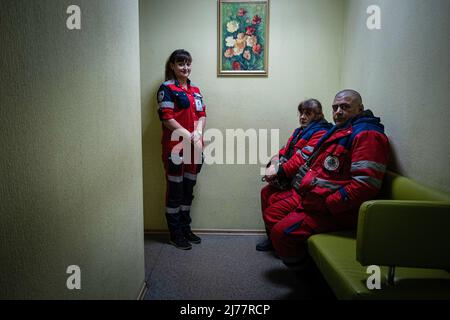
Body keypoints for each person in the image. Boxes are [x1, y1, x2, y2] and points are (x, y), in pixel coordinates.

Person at [263, 89, 390, 267]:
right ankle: (299, 254)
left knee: (281, 233)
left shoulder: (367, 135)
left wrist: (328, 204)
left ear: (360, 109)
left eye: (345, 107)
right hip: (312, 198)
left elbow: (365, 186)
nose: (338, 112)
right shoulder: (340, 131)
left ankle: (307, 274)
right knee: (272, 212)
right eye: (335, 107)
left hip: (335, 209)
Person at [257, 99, 332, 251]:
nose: (303, 117)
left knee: (273, 211)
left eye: (308, 113)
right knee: (265, 192)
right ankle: (272, 238)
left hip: (302, 185)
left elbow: (301, 159)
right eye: (301, 113)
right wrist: (275, 160)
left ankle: (281, 244)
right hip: (290, 179)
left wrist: (278, 171)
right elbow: (285, 150)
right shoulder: (300, 131)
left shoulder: (321, 132)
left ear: (318, 115)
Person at [156, 49, 206, 250]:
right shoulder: (166, 88)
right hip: (175, 148)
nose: (185, 67)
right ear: (172, 66)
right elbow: (166, 117)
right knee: (175, 191)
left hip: (194, 147)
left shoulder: (195, 90)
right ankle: (174, 233)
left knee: (188, 189)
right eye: (180, 63)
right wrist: (188, 135)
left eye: (188, 63)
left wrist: (199, 133)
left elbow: (202, 114)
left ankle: (185, 227)